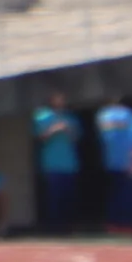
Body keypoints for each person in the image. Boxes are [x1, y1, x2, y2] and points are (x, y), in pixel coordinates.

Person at [36, 91, 83, 234]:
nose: (60, 101)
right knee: (54, 197)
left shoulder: (70, 118)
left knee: (68, 197)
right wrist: (54, 129)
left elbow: (76, 138)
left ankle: (69, 227)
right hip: (52, 164)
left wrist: (68, 130)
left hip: (69, 164)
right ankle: (54, 228)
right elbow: (40, 138)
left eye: (62, 99)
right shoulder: (42, 116)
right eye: (57, 98)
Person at [96, 97, 132, 234]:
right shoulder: (129, 114)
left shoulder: (102, 115)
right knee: (127, 193)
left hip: (110, 160)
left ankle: (112, 224)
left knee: (114, 193)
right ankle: (126, 224)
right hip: (128, 160)